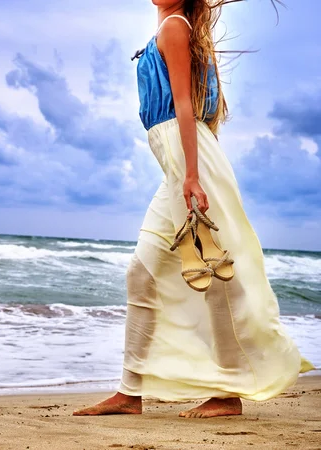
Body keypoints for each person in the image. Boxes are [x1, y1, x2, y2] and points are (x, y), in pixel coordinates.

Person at [74, 0, 314, 419]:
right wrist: (183, 173)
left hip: (191, 166)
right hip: (179, 166)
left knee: (221, 277)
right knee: (142, 273)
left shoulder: (175, 27)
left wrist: (191, 176)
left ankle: (228, 392)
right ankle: (130, 393)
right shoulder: (174, 28)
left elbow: (186, 105)